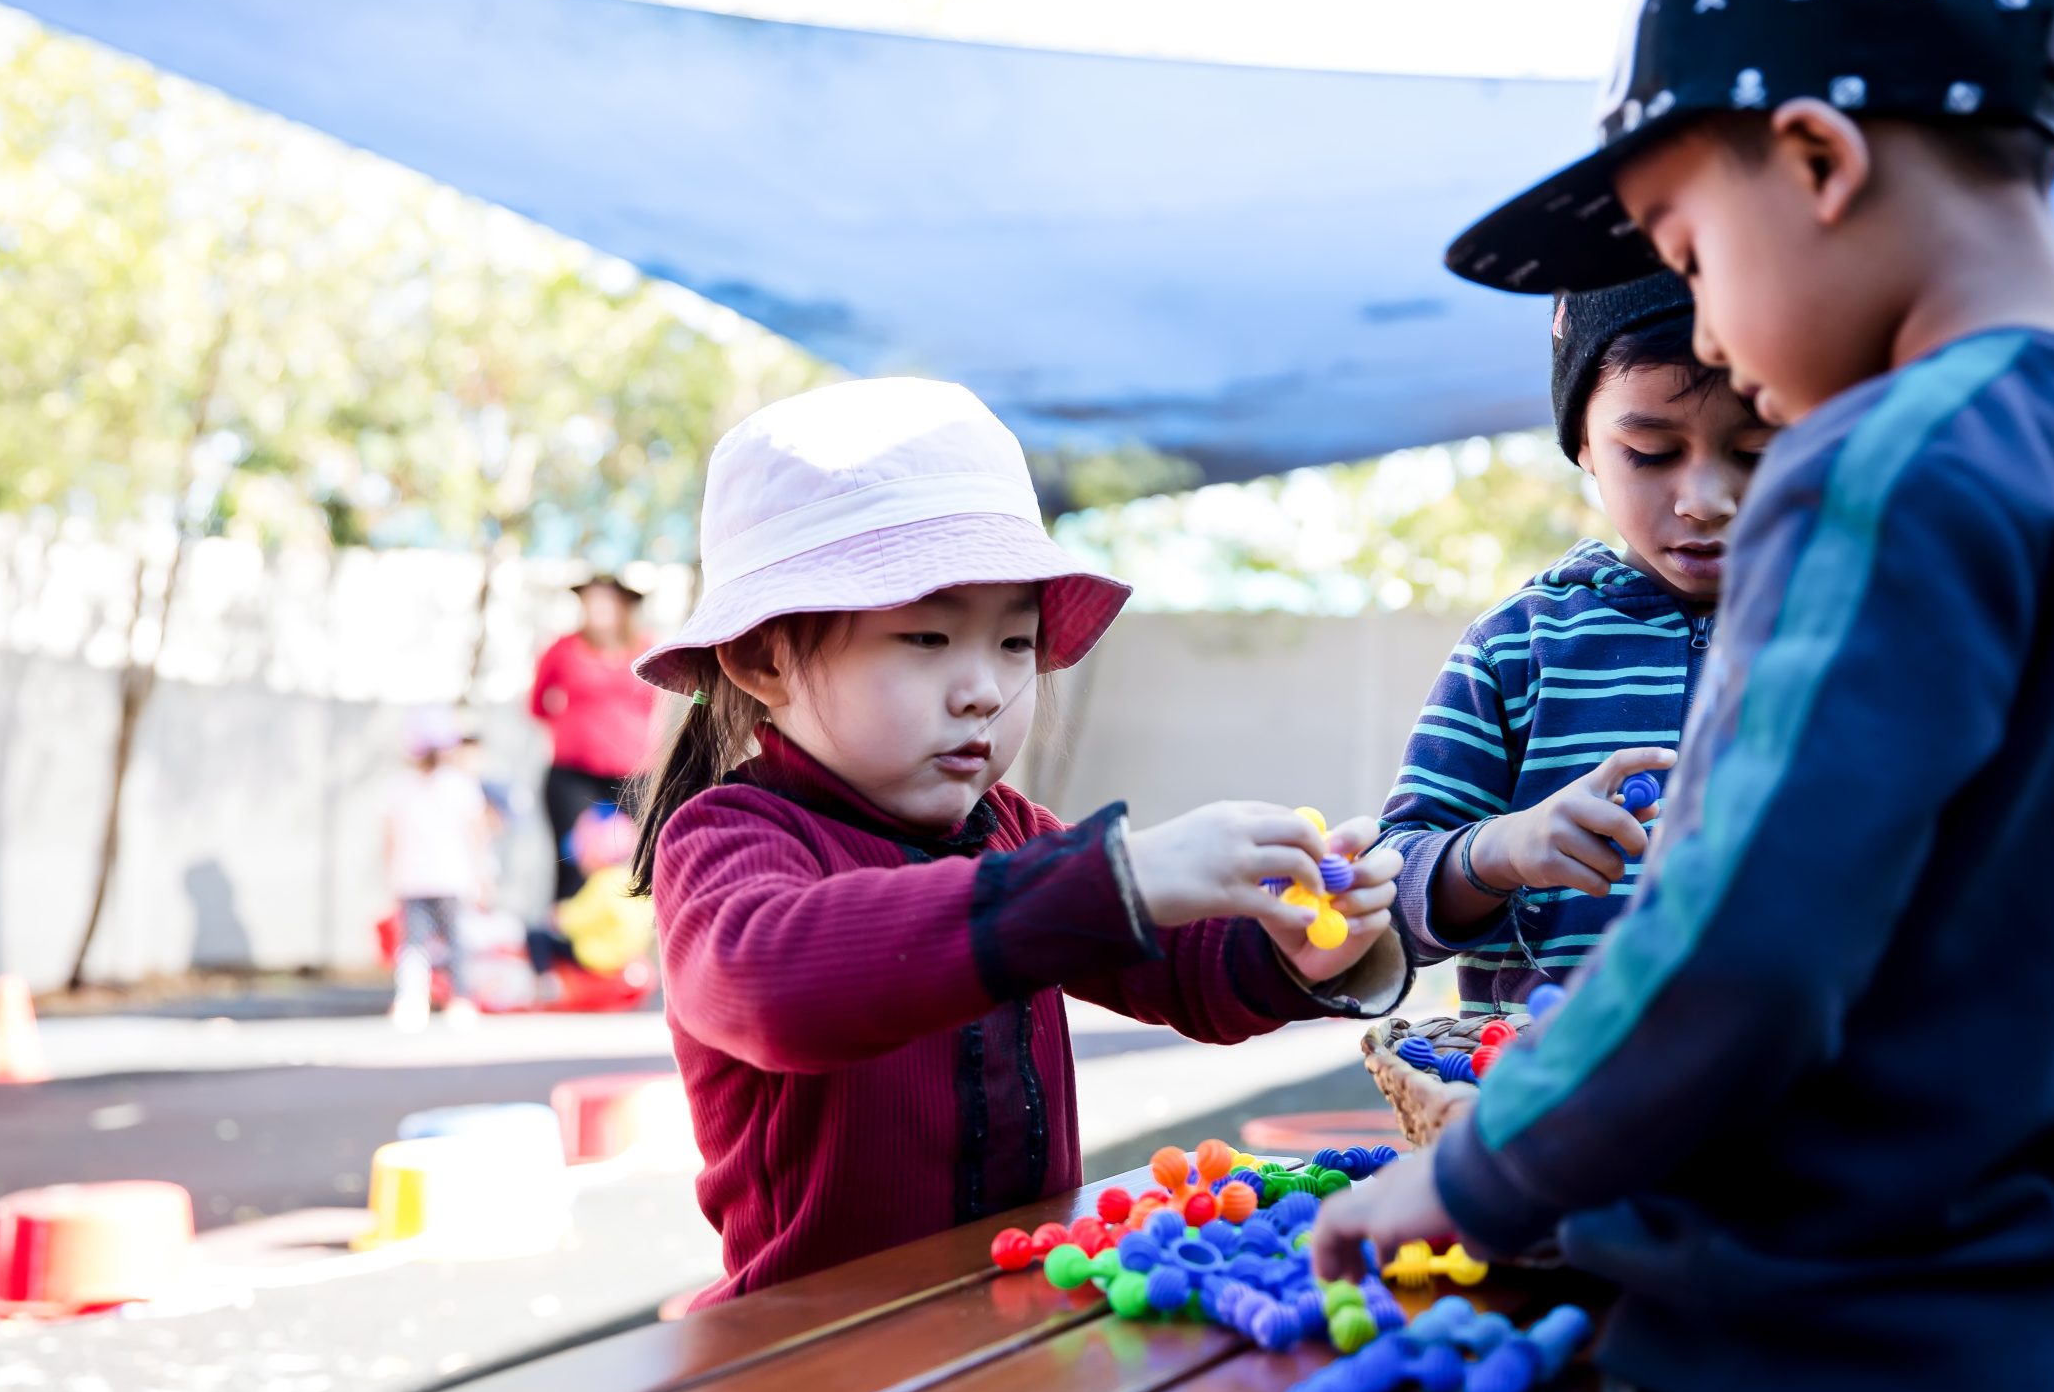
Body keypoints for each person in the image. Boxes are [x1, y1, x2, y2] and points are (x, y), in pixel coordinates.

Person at [1314, 0, 2054, 1392]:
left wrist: (1474, 1173)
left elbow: (1738, 939)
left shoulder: (1874, 464)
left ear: (1818, 163)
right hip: (2050, 1355)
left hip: (1814, 1384)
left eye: (1689, 251)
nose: (1701, 318)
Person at [626, 377, 1412, 1306]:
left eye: (1014, 643)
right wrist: (1119, 875)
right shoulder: (727, 839)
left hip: (1012, 1308)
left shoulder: (1006, 830)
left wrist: (1305, 951)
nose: (985, 690)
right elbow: (776, 982)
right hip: (810, 1347)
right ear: (763, 661)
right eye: (926, 637)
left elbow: (1182, 972)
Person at [1378, 271, 1770, 1013]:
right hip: (1548, 1101)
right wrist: (1498, 852)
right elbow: (1384, 898)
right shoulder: (1517, 650)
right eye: (1650, 452)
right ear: (1584, 443)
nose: (1703, 500)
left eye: (1754, 448)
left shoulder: (1849, 639)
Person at [529, 570, 655, 904]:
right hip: (572, 773)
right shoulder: (563, 648)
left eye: (604, 600)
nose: (595, 608)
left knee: (632, 863)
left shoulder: (645, 647)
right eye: (589, 601)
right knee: (572, 859)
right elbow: (538, 704)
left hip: (632, 775)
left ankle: (622, 947)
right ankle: (566, 945)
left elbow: (658, 702)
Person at [383, 706, 492, 1030]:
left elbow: (389, 837)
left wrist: (389, 874)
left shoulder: (401, 787)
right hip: (447, 878)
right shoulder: (458, 786)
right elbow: (476, 836)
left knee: (418, 944)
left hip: (418, 878)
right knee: (452, 941)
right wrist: (483, 874)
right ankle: (454, 999)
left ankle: (418, 999)